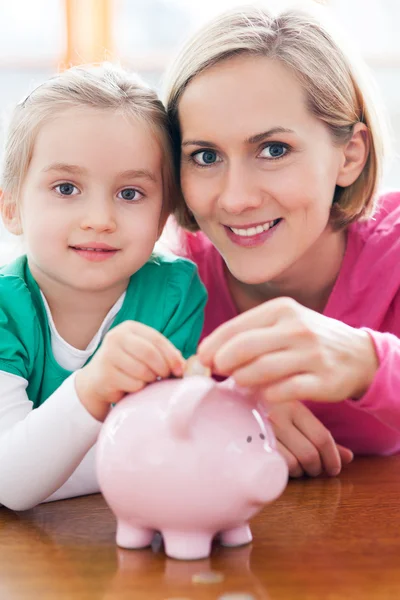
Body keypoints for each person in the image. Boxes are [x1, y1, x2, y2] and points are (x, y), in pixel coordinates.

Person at [163, 1, 400, 479]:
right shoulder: (165, 285)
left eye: (274, 150)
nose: (236, 198)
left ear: (350, 155)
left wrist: (368, 362)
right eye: (206, 156)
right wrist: (221, 408)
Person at [0, 63, 206, 511]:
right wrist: (94, 388)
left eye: (130, 193)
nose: (100, 219)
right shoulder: (5, 309)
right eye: (66, 187)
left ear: (163, 216)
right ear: (12, 207)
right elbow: (10, 482)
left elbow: (171, 449)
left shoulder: (175, 295)